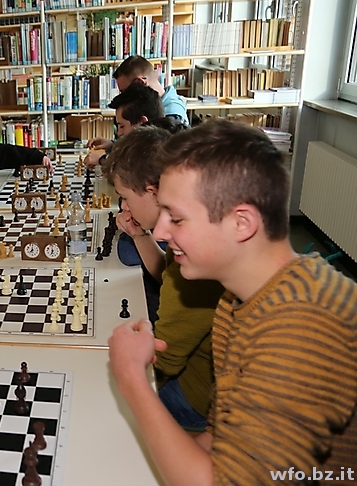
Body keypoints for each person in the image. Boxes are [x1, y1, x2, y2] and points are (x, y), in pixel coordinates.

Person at [108, 119, 357, 484]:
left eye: (177, 218)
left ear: (242, 223)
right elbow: (222, 436)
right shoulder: (235, 300)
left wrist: (132, 377)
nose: (160, 231)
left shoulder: (300, 328)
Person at [101, 127, 224, 431]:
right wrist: (139, 236)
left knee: (102, 399)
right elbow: (167, 275)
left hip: (193, 396)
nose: (124, 207)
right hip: (196, 372)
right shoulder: (187, 225)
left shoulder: (194, 257)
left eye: (125, 198)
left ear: (153, 192)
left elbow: (163, 362)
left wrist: (120, 359)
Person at [86, 54, 184, 166]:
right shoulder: (157, 101)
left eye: (125, 91)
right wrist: (114, 145)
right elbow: (142, 142)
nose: (124, 96)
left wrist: (104, 160)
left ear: (140, 82)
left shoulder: (173, 116)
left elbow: (151, 157)